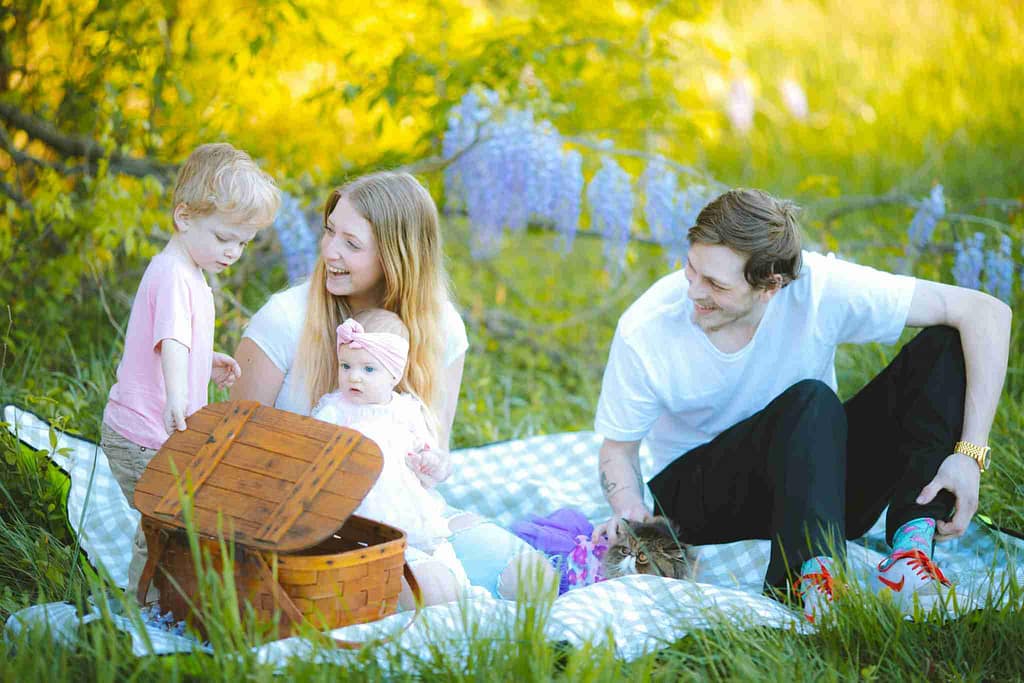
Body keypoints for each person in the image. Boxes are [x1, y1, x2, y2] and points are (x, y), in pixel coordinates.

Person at [592, 188, 1011, 621]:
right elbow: (617, 451)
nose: (694, 290)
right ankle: (812, 581)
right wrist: (630, 515)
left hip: (815, 491)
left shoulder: (819, 287)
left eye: (716, 284)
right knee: (812, 401)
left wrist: (969, 455)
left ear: (771, 286)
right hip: (699, 504)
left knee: (945, 344)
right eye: (692, 268)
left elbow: (986, 313)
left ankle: (911, 553)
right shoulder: (646, 328)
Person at [231, 171, 556, 600]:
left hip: (405, 510)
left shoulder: (442, 328)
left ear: (397, 256)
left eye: (351, 243)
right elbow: (237, 455)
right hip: (308, 522)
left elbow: (430, 452)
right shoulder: (284, 320)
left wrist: (431, 468)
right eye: (330, 232)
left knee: (534, 580)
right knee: (437, 596)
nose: (330, 251)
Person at [101, 142, 281, 602]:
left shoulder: (192, 275)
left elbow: (178, 340)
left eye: (243, 242)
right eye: (224, 238)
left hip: (158, 431)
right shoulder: (173, 273)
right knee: (164, 522)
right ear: (184, 217)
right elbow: (172, 342)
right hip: (142, 431)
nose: (234, 252)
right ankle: (144, 607)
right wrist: (180, 393)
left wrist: (207, 360)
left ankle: (161, 597)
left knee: (173, 518)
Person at [312, 310, 469, 606]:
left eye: (368, 369)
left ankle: (418, 574)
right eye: (346, 366)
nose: (354, 376)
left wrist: (429, 464)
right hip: (353, 507)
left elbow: (428, 458)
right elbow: (315, 453)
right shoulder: (334, 411)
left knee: (426, 566)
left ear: (394, 374)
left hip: (401, 506)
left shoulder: (406, 411)